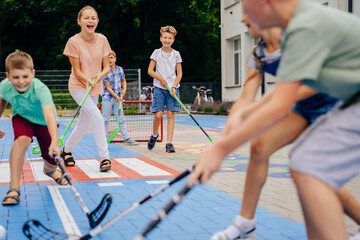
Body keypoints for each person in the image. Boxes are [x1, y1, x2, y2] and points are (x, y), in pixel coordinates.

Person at [189, 1, 360, 239]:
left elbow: (283, 101)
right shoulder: (269, 48)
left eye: (246, 8)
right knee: (300, 162)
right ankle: (245, 222)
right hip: (318, 104)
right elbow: (259, 96)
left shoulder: (302, 30)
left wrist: (221, 148)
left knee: (313, 168)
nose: (241, 16)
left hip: (334, 103)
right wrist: (235, 119)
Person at [0, 51, 67, 206]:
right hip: (22, 117)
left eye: (25, 76)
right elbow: (2, 101)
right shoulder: (4, 87)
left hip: (44, 121)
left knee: (51, 159)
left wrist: (55, 142)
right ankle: (14, 188)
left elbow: (50, 116)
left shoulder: (40, 88)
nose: (21, 81)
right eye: (15, 77)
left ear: (33, 73)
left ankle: (49, 170)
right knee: (22, 140)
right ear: (8, 76)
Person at [62, 5, 112, 172]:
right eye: (86, 18)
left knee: (83, 126)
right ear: (79, 21)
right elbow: (76, 71)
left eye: (93, 18)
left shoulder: (103, 39)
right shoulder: (73, 42)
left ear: (97, 21)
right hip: (78, 86)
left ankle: (66, 151)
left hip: (95, 86)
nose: (90, 20)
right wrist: (88, 79)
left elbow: (107, 67)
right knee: (97, 119)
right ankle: (105, 158)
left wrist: (98, 77)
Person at [147, 25, 183, 153]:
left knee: (170, 114)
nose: (167, 40)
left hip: (172, 89)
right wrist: (160, 79)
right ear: (161, 38)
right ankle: (154, 135)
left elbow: (179, 73)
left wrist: (173, 86)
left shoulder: (176, 54)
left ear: (173, 40)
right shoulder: (156, 53)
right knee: (158, 115)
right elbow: (150, 70)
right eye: (165, 38)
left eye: (170, 38)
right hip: (159, 87)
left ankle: (169, 143)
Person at [101, 50, 138, 145]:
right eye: (107, 58)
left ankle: (126, 138)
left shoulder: (120, 69)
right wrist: (116, 96)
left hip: (118, 99)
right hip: (107, 98)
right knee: (105, 119)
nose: (110, 60)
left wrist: (124, 90)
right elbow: (108, 87)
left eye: (111, 58)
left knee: (121, 118)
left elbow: (123, 80)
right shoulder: (104, 72)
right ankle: (103, 139)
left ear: (115, 59)